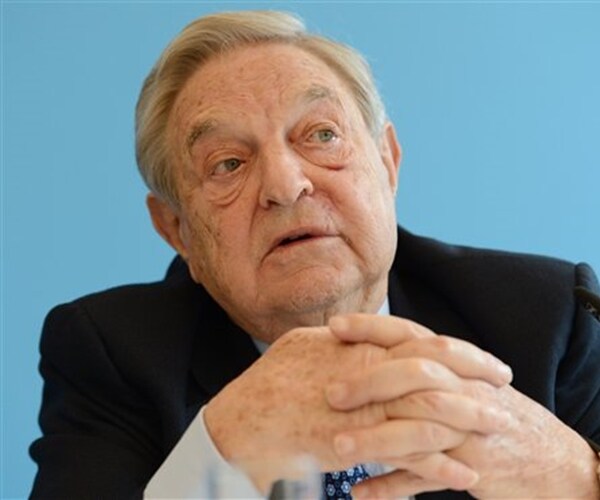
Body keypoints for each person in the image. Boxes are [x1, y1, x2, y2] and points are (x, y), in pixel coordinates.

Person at [29, 10, 600, 499]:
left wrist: (574, 475)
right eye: (228, 163)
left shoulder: (546, 317)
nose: (285, 185)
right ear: (177, 230)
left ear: (388, 163)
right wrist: (225, 448)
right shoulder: (111, 356)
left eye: (321, 135)